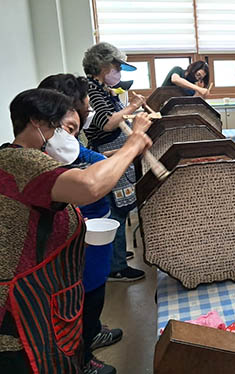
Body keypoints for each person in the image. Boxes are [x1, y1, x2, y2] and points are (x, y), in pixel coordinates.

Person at [0, 88, 151, 373]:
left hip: (41, 291)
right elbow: (89, 187)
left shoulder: (30, 158)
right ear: (36, 121)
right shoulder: (21, 160)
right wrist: (132, 144)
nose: (66, 137)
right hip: (19, 304)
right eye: (60, 127)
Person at [38, 73, 121, 374]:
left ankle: (92, 333)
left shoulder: (67, 141)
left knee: (94, 291)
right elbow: (85, 183)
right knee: (79, 296)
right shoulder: (49, 150)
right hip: (76, 232)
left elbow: (90, 156)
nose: (89, 106)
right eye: (85, 102)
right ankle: (82, 361)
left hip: (95, 226)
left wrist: (111, 158)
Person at [83, 42, 147, 282]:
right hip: (106, 151)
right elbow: (106, 123)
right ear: (103, 65)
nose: (118, 72)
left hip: (116, 150)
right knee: (116, 211)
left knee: (119, 207)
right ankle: (116, 267)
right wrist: (132, 106)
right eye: (116, 67)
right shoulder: (91, 89)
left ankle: (116, 256)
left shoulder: (103, 89)